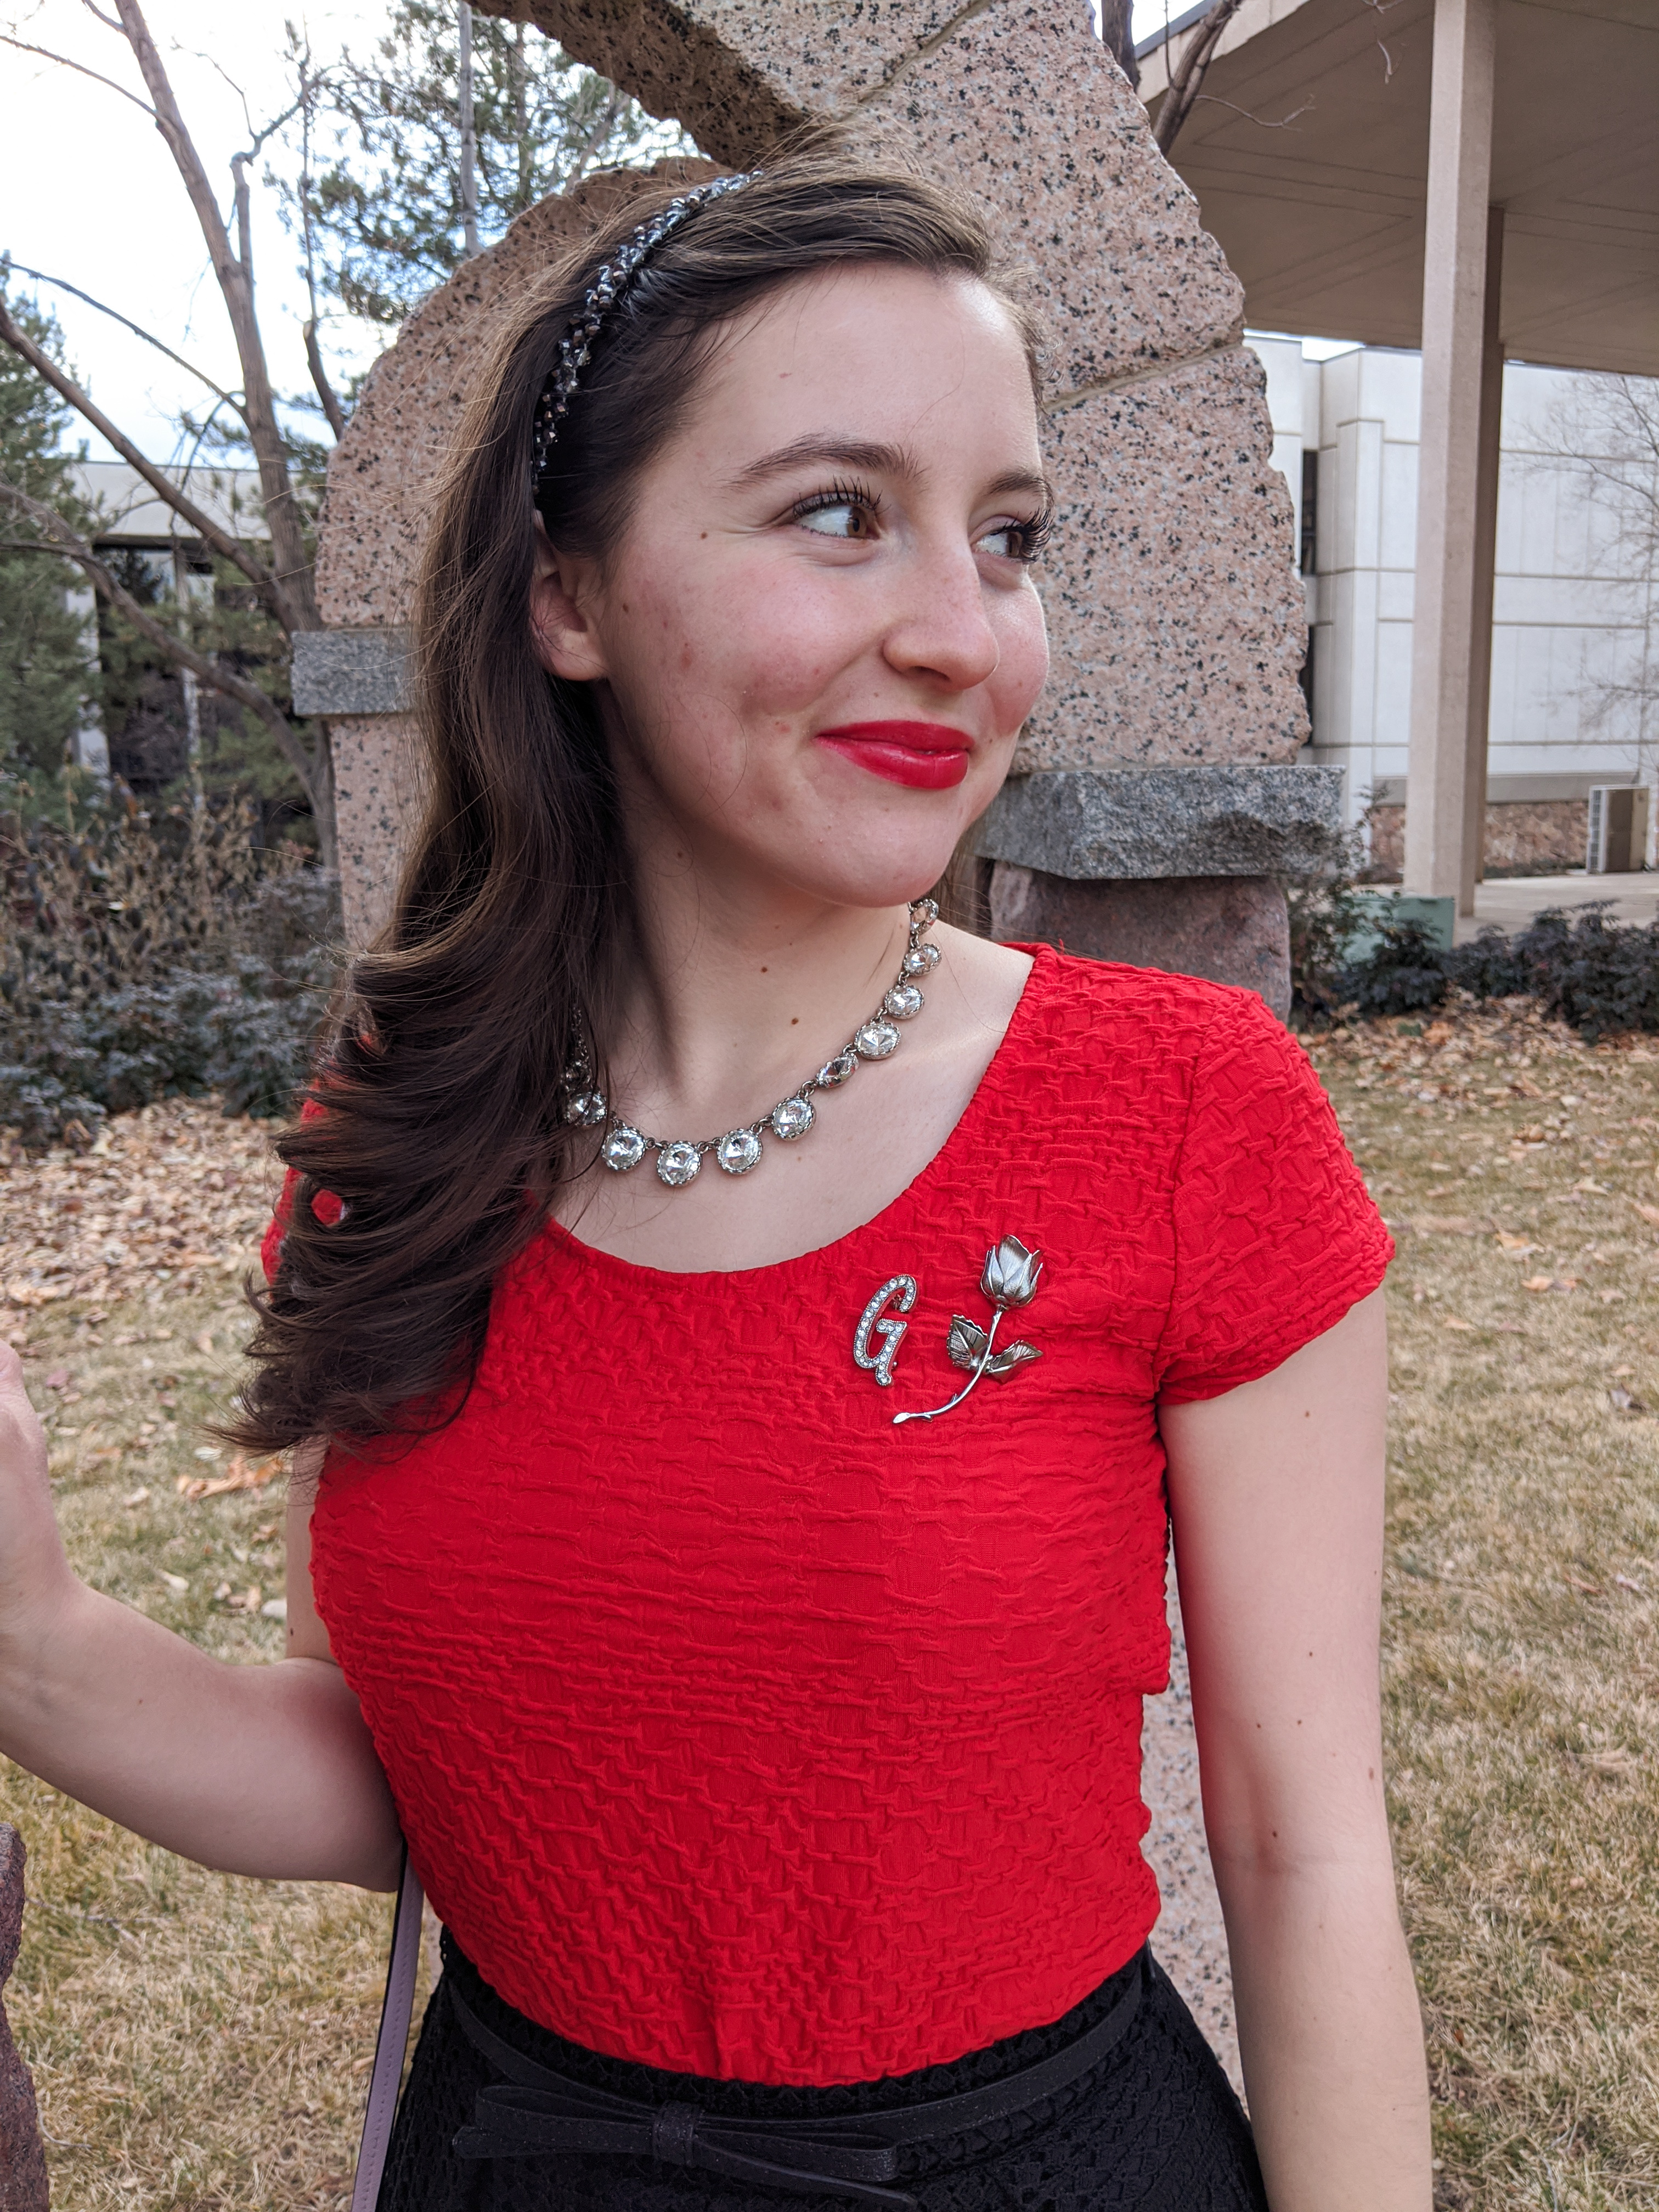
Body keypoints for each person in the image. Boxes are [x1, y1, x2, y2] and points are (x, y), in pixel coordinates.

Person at [0, 149, 1431, 2210]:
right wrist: (35, 1640)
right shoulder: (410, 1121)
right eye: (840, 512)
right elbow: (412, 1778)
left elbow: (1303, 1850)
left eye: (1009, 536)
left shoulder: (1184, 1108)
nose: (963, 634)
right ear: (566, 596)